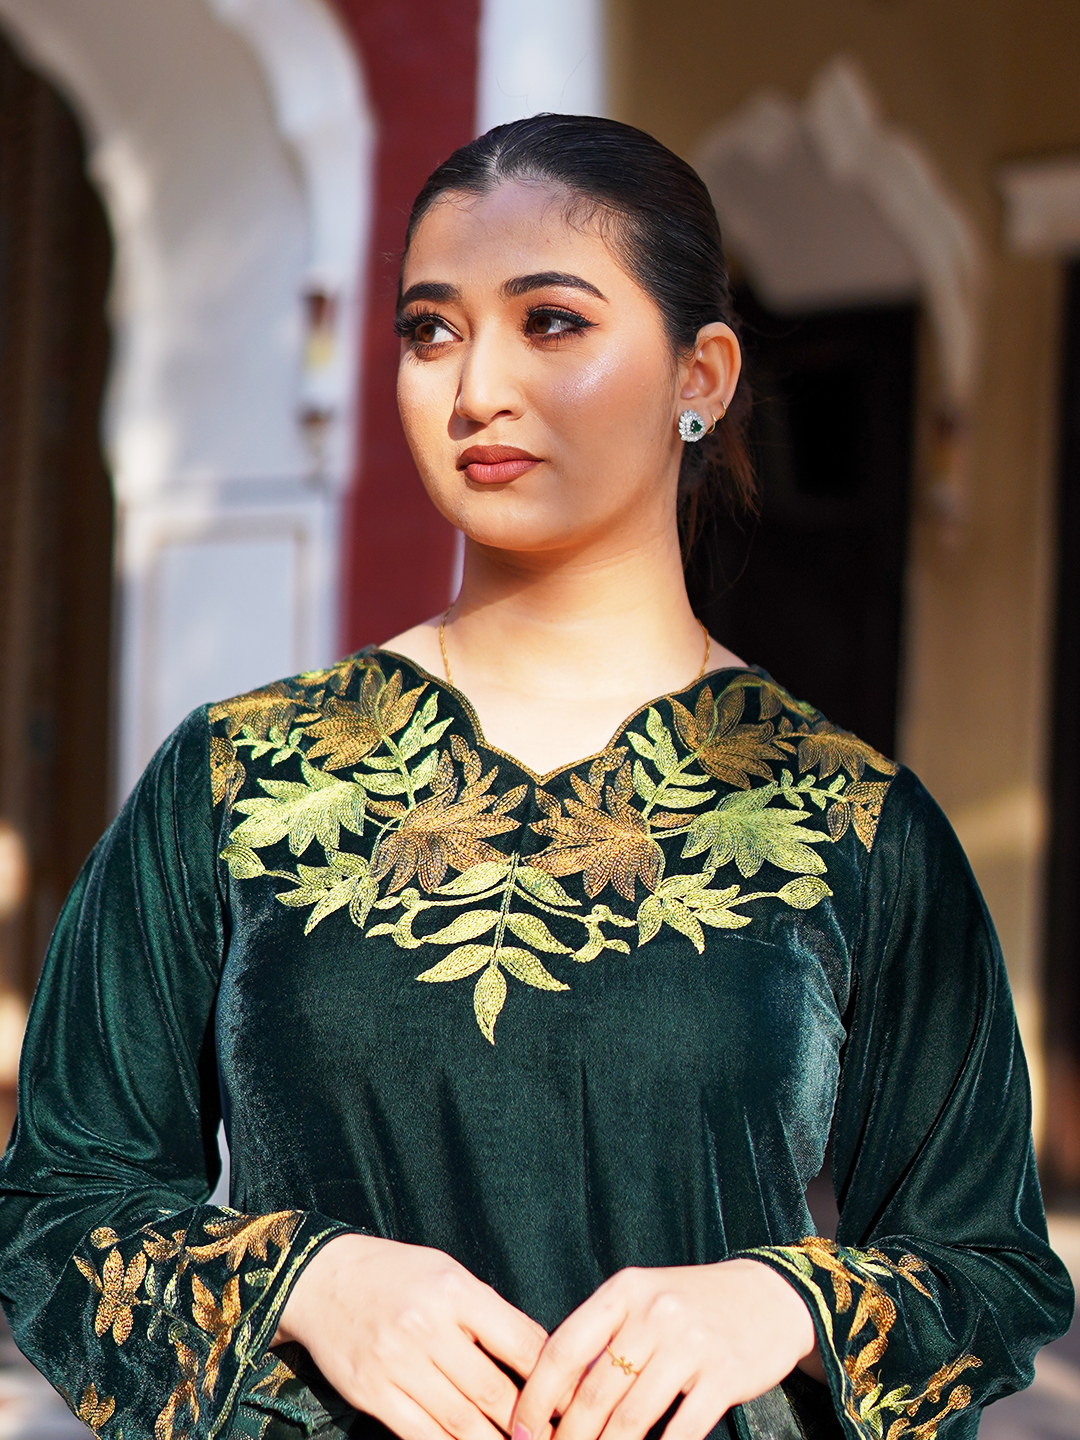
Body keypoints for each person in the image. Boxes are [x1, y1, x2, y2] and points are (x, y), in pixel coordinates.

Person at [0, 115, 1071, 1440]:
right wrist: (308, 1282)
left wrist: (784, 1303)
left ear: (701, 374)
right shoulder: (238, 781)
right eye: (431, 330)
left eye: (551, 322)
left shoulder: (851, 823)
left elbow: (986, 1268)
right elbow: (59, 1206)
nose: (475, 388)